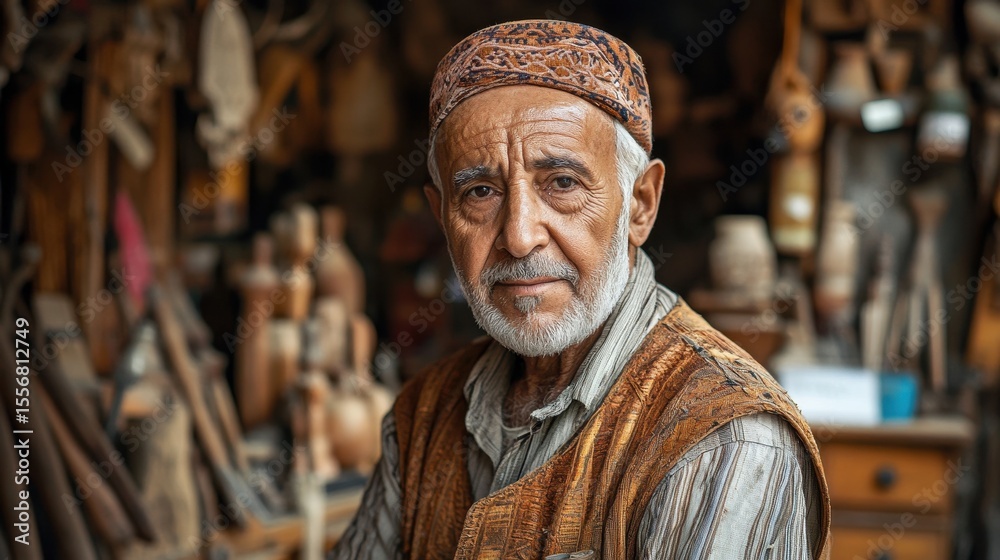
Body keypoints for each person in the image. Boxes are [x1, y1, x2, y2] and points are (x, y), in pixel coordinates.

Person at [332, 19, 830, 559]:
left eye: (562, 184)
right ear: (442, 217)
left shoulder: (723, 439)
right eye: (480, 192)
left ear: (640, 204)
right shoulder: (421, 418)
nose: (519, 237)